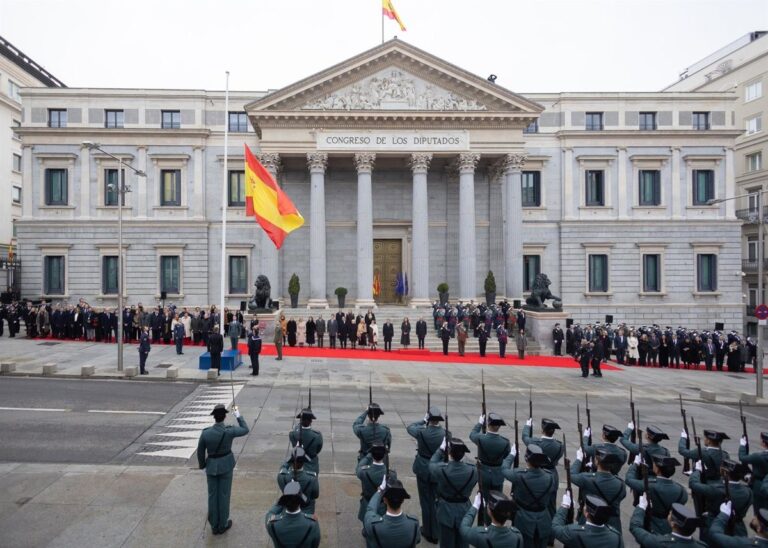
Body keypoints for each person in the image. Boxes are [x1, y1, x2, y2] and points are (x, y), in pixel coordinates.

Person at [197, 404, 249, 536]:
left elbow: (200, 452)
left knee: (212, 496)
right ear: (225, 416)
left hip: (211, 467)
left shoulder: (206, 433)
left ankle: (214, 525)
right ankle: (223, 524)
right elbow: (245, 429)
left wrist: (203, 465)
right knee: (224, 495)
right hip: (226, 466)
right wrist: (237, 414)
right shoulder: (229, 431)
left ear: (214, 417)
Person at [502, 444, 557, 548]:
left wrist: (512, 454)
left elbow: (504, 469)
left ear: (527, 459)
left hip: (523, 520)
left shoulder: (519, 475)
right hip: (544, 520)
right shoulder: (550, 477)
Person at [429, 436, 478, 547]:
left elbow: (431, 464)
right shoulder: (474, 471)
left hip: (445, 510)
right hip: (464, 509)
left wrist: (441, 450)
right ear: (464, 454)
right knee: (463, 543)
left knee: (446, 543)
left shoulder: (442, 470)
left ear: (450, 453)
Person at [407, 406, 445, 543]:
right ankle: (435, 532)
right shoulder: (446, 434)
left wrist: (423, 421)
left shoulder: (422, 432)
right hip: (437, 469)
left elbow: (410, 427)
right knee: (436, 500)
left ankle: (428, 530)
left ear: (429, 419)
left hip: (423, 468)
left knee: (425, 500)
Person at [689, 458, 753, 540]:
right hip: (738, 529)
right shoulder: (748, 491)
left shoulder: (716, 489)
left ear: (725, 473)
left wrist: (697, 470)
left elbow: (693, 484)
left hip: (715, 525)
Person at [625, 454, 687, 535]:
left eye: (655, 464)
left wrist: (635, 464)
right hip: (671, 526)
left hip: (652, 526)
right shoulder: (682, 490)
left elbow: (629, 480)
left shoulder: (649, 485)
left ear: (657, 470)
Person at [569, 448, 627, 532]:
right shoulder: (621, 484)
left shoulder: (587, 479)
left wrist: (579, 459)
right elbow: (622, 496)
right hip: (612, 522)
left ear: (596, 462)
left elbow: (571, 474)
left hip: (590, 519)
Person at [522, 418, 564, 525]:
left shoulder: (535, 442)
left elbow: (525, 437)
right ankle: (551, 530)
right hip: (553, 475)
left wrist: (527, 425)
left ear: (542, 430)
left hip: (539, 473)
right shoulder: (560, 446)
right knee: (551, 505)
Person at [470, 413, 510, 512]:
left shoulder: (481, 438)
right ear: (499, 427)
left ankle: (484, 519)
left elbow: (472, 434)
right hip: (498, 474)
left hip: (483, 474)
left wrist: (479, 423)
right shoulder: (505, 442)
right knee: (497, 501)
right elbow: (506, 456)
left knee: (483, 501)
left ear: (488, 424)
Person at [363, 478, 421, 547]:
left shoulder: (373, 525)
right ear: (403, 500)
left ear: (384, 500)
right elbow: (417, 540)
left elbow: (370, 509)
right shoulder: (414, 523)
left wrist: (380, 490)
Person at [552, 493, 624, 548]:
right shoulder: (616, 537)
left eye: (585, 507)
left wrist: (565, 506)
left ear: (586, 514)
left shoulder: (574, 532)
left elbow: (555, 528)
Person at [265, 480, 321, 548]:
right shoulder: (312, 524)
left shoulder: (272, 524)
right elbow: (315, 544)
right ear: (300, 501)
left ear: (284, 501)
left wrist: (281, 501)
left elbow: (270, 513)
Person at [629, 499, 706, 547]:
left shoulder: (659, 543)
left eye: (670, 514)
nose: (669, 515)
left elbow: (635, 527)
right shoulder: (702, 546)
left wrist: (641, 507)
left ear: (673, 524)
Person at [460, 491, 524, 547]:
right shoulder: (518, 536)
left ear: (489, 512)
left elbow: (463, 528)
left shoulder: (480, 536)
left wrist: (475, 506)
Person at [356, 443, 393, 533]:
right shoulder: (391, 474)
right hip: (382, 505)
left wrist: (368, 456)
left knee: (367, 526)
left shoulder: (364, 472)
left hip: (367, 502)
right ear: (384, 456)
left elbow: (358, 468)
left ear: (372, 455)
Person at [276, 447, 319, 515]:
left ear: (291, 461)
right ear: (303, 462)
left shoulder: (281, 476)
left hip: (289, 508)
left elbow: (283, 466)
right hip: (306, 509)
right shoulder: (312, 478)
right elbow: (315, 495)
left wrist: (290, 460)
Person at [739, 431, 768, 513]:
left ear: (763, 443)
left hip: (758, 484)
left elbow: (742, 457)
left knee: (759, 510)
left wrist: (742, 445)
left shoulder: (758, 456)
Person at [290, 407, 323, 475]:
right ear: (311, 421)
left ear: (300, 420)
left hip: (297, 463)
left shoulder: (292, 434)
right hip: (311, 464)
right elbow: (318, 449)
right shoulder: (317, 436)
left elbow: (296, 428)